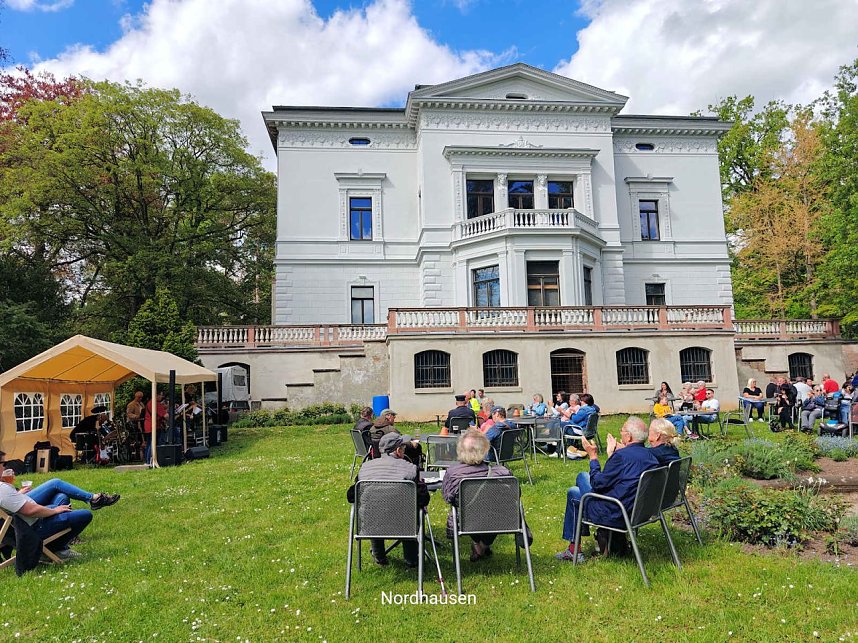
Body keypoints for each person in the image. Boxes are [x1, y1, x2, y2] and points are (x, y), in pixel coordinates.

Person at [555, 417, 659, 561]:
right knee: (574, 492)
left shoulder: (621, 457)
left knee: (582, 477)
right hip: (636, 511)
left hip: (614, 512)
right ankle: (573, 550)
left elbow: (598, 484)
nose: (620, 433)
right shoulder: (650, 456)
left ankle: (574, 550)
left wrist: (593, 457)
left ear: (629, 436)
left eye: (622, 430)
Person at [0, 469, 119, 560]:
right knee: (55, 484)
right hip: (28, 521)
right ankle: (93, 499)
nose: (5, 467)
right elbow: (29, 511)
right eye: (3, 464)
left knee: (62, 497)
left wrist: (16, 493)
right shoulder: (2, 490)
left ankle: (60, 548)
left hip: (19, 503)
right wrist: (55, 510)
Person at [352, 432, 429, 568]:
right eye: (404, 448)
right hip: (404, 526)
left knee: (374, 508)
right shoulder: (410, 469)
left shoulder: (365, 468)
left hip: (370, 525)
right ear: (399, 450)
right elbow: (423, 498)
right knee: (408, 510)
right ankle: (411, 559)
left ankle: (379, 555)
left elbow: (351, 495)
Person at [442, 430, 512, 562]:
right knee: (492, 511)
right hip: (501, 519)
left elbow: (448, 497)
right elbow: (514, 496)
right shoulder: (503, 473)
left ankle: (478, 545)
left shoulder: (453, 473)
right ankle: (483, 545)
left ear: (460, 450)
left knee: (472, 511)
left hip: (467, 520)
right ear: (485, 450)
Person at [144, 392, 168, 465]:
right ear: (156, 395)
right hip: (154, 426)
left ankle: (147, 461)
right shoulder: (156, 404)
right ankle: (149, 461)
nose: (162, 396)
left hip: (148, 426)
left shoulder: (149, 403)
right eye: (161, 395)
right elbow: (165, 415)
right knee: (153, 444)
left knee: (149, 444)